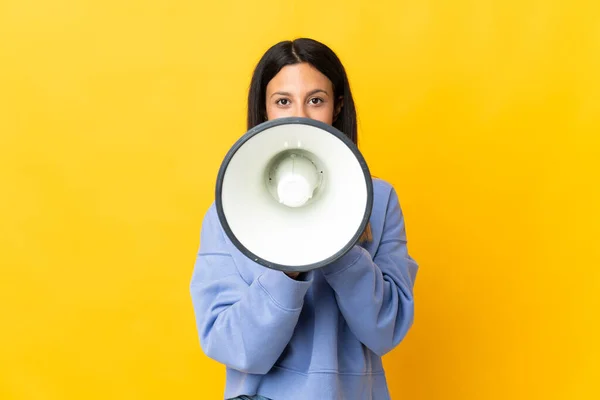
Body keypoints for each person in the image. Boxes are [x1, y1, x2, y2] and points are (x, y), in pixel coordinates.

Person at [189, 38, 419, 400]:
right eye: (283, 101)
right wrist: (287, 268)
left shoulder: (379, 201)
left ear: (336, 106)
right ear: (264, 110)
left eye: (316, 100)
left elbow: (385, 331)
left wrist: (340, 237)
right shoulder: (227, 214)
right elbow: (232, 345)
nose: (300, 116)